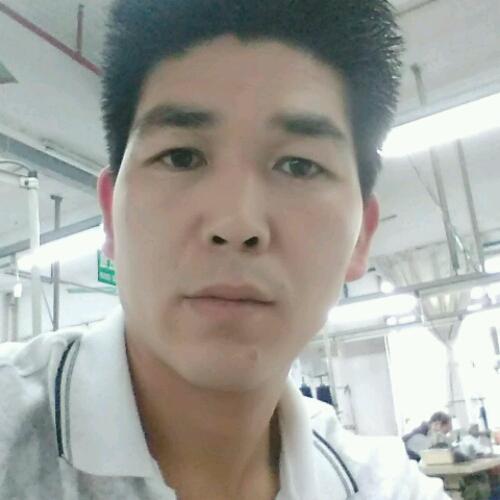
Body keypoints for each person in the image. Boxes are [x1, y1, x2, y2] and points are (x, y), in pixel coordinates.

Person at [0, 0, 450, 498]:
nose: (236, 224)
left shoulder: (383, 488)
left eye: (299, 166)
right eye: (181, 156)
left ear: (361, 236)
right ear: (111, 215)